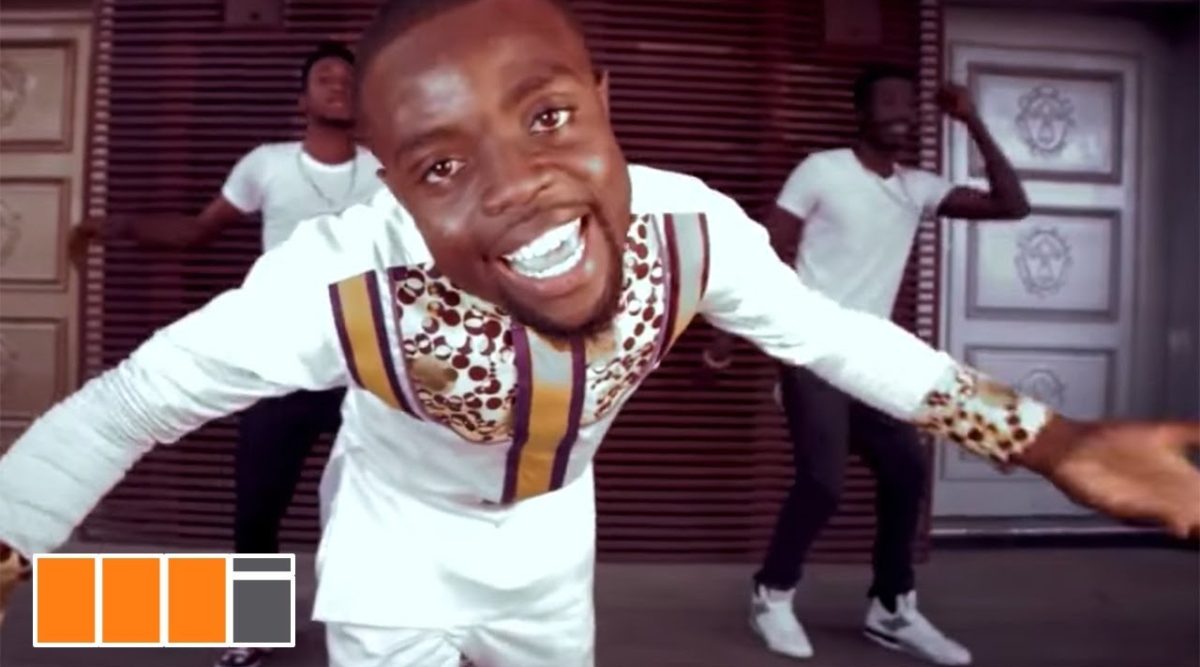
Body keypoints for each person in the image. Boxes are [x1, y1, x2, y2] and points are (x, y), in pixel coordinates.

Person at [1, 2, 1197, 666]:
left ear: (608, 103)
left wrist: (1050, 442)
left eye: (550, 117)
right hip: (395, 539)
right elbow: (125, 406)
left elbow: (838, 340)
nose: (519, 186)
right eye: (442, 164)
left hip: (551, 544)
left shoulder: (693, 233)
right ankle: (225, 619)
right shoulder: (336, 280)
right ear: (393, 184)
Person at [69, 40, 384, 667]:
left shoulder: (385, 169)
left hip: (367, 368)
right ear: (302, 100)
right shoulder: (266, 165)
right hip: (281, 368)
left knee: (388, 506)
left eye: (349, 79)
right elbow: (197, 230)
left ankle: (387, 634)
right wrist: (118, 226)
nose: (338, 85)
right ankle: (254, 631)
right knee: (258, 505)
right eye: (325, 77)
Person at [703, 65, 1030, 665]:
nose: (901, 110)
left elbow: (1012, 205)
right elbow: (766, 248)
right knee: (823, 481)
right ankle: (771, 594)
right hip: (810, 346)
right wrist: (728, 331)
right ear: (861, 112)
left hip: (873, 353)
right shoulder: (821, 171)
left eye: (909, 101)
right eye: (888, 100)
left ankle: (891, 607)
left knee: (906, 471)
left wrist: (973, 120)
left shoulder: (917, 187)